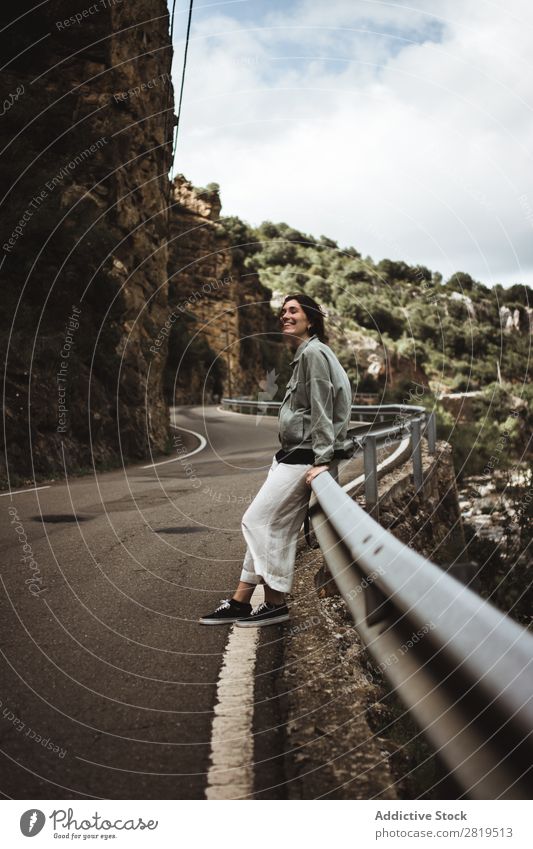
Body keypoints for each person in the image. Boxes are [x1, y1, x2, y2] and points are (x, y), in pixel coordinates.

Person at [199, 293, 353, 627]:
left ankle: (276, 601)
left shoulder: (313, 353)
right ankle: (242, 602)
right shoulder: (307, 353)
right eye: (283, 311)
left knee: (255, 521)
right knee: (275, 529)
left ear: (310, 319)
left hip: (303, 458)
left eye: (293, 310)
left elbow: (322, 408)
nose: (285, 315)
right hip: (291, 456)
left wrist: (324, 458)